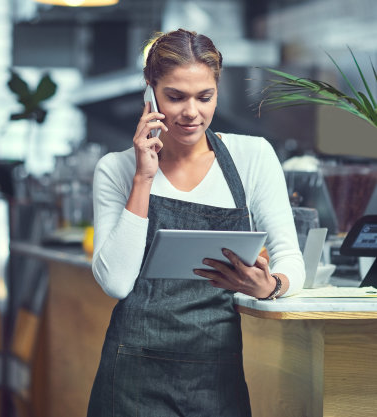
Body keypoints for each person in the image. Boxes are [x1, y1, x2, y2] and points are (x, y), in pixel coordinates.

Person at [87, 29, 305, 417]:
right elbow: (116, 282)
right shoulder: (116, 170)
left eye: (205, 97)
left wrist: (271, 286)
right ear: (149, 93)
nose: (192, 112)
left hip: (215, 372)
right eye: (175, 97)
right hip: (133, 374)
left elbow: (291, 257)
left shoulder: (251, 157)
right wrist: (143, 178)